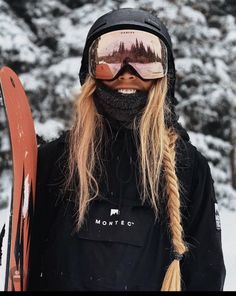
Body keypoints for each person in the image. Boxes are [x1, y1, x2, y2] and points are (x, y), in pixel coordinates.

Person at [28, 8, 226, 291]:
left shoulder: (188, 167)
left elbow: (206, 274)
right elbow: (28, 260)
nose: (127, 73)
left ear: (165, 74)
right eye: (111, 59)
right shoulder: (55, 159)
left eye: (145, 61)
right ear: (90, 71)